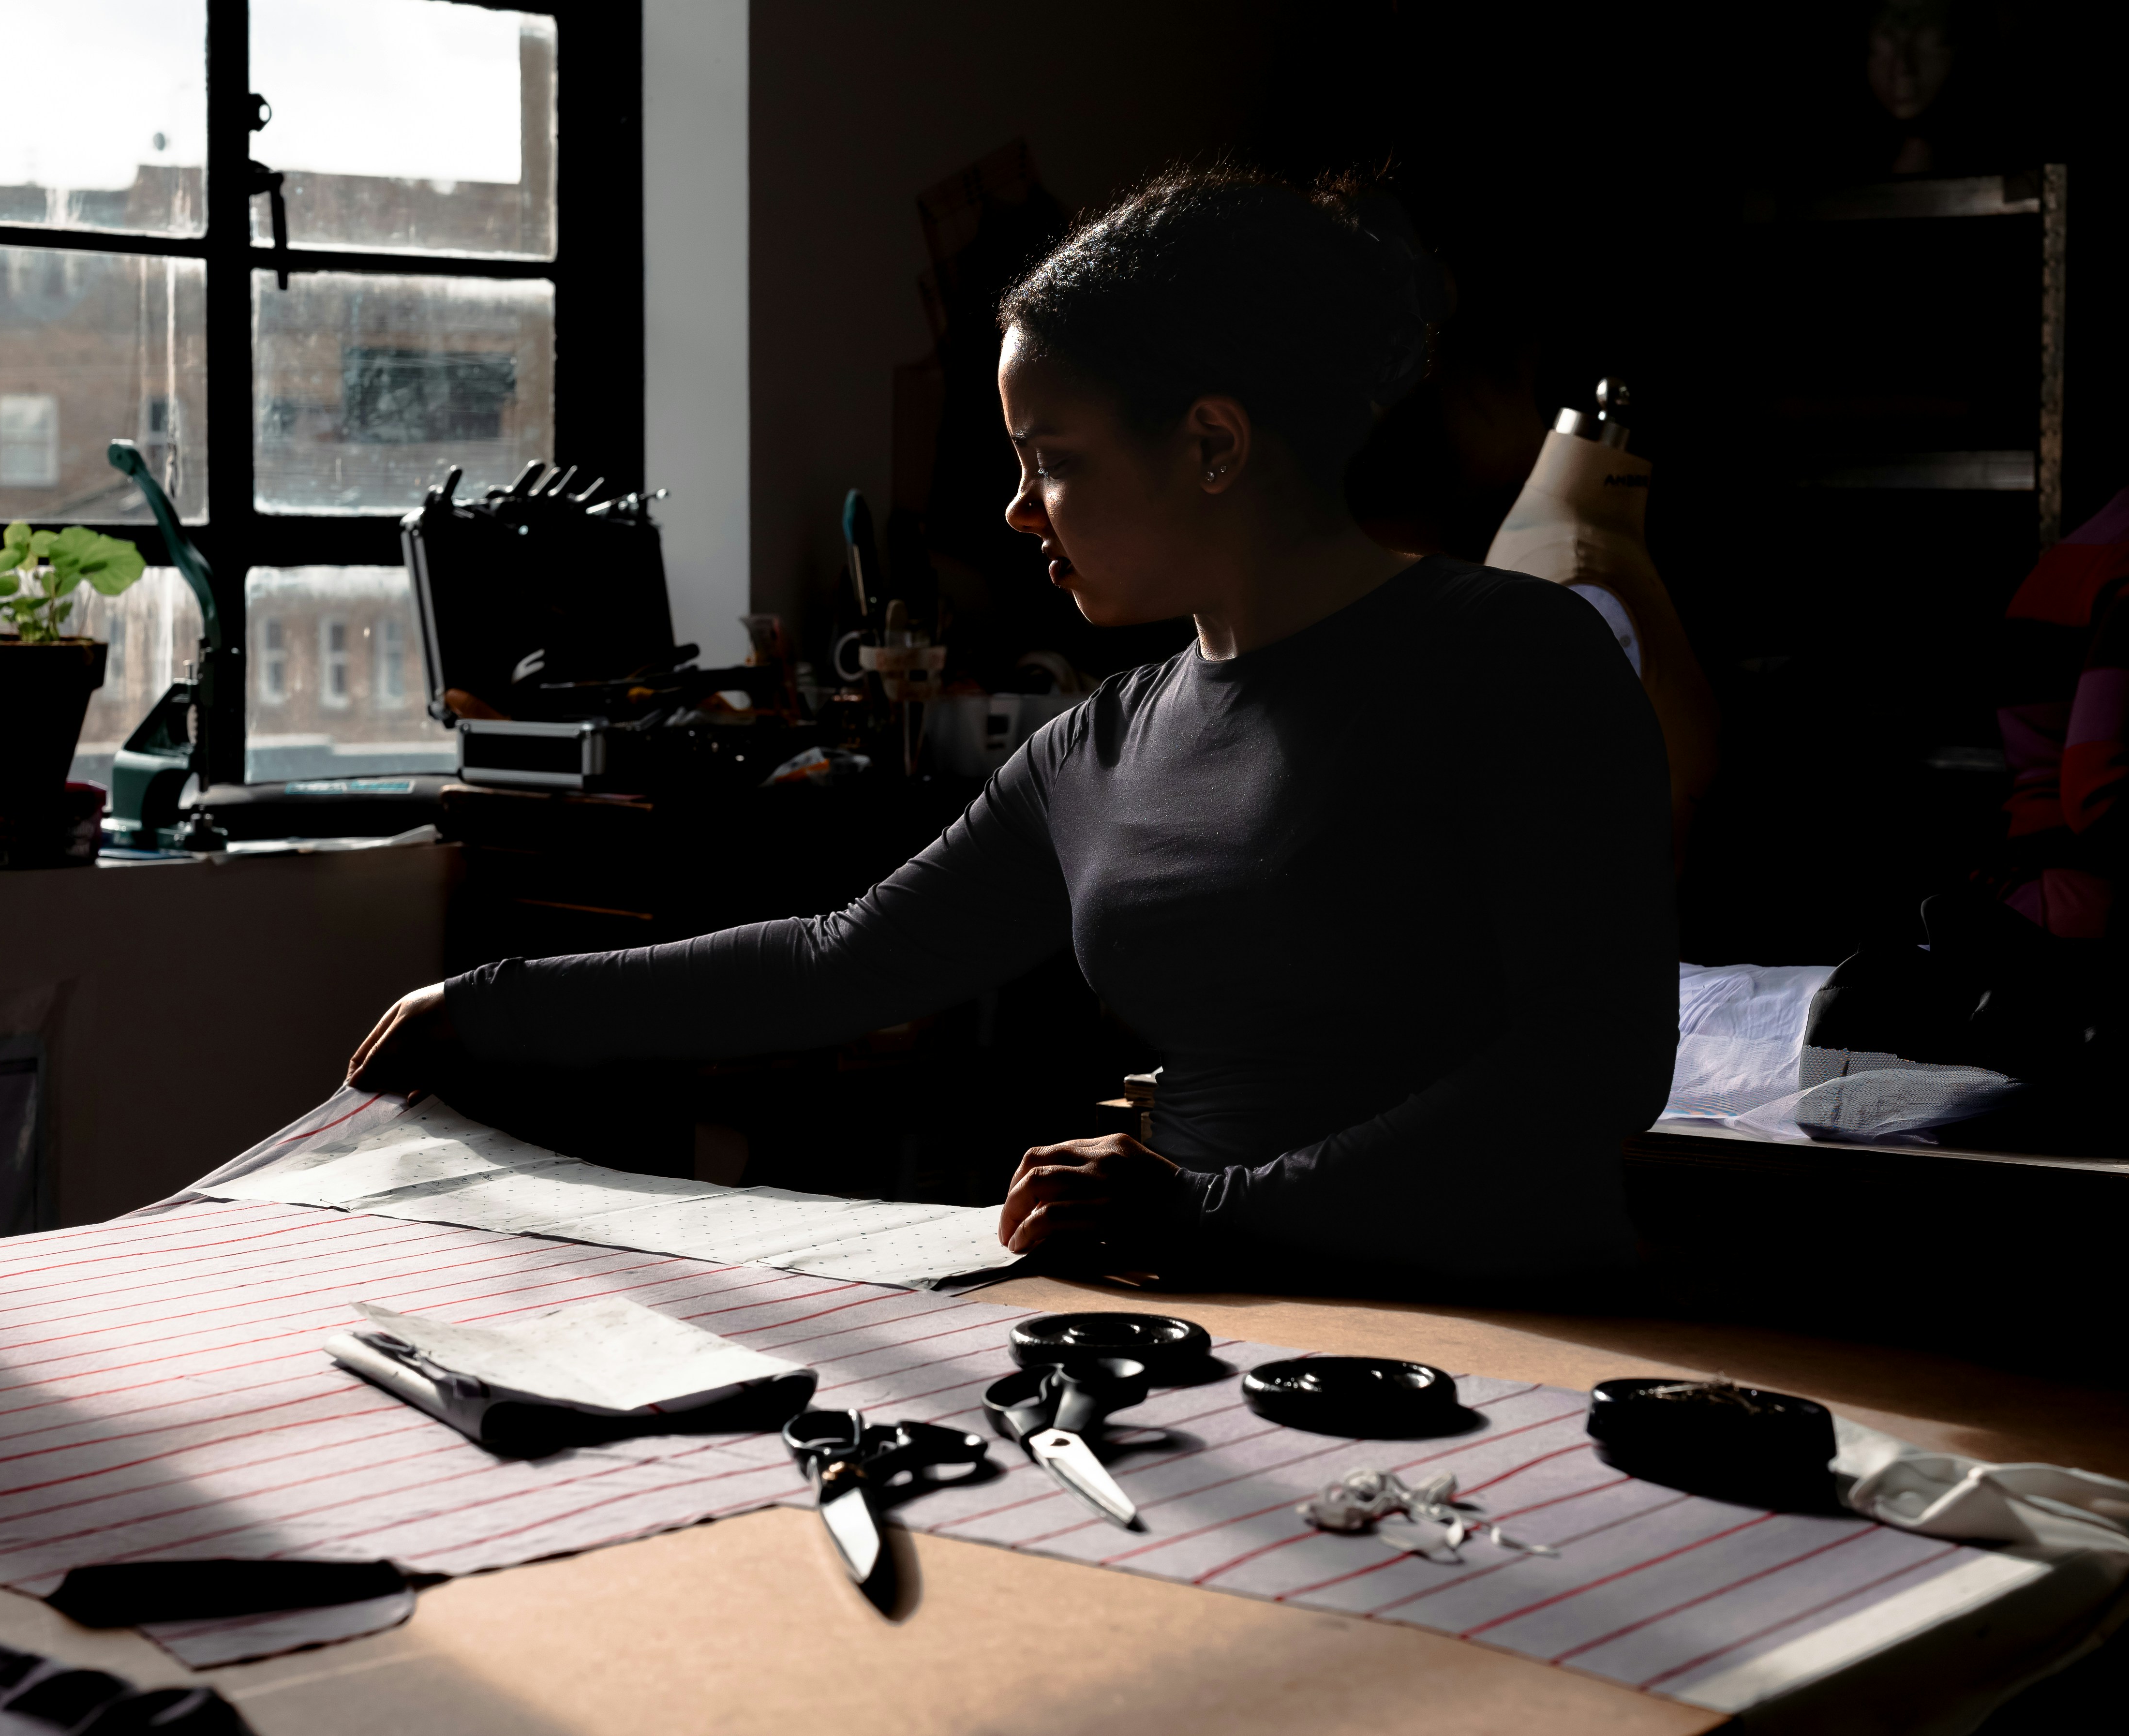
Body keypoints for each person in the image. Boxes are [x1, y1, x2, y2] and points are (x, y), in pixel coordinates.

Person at [350, 168, 1679, 1286]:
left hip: (1488, 1334)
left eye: (1053, 458)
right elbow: (839, 965)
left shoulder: (1515, 659)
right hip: (1204, 1316)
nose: (1017, 510)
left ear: (1213, 445)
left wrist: (1219, 1211)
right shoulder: (1099, 749)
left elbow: (1593, 1064)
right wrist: (484, 1007)